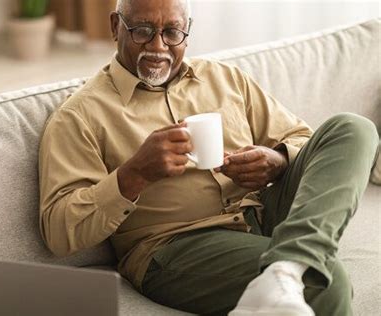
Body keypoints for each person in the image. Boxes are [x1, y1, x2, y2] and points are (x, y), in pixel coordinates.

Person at [38, 0, 379, 315]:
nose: (158, 47)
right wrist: (134, 174)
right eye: (142, 30)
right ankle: (292, 270)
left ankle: (286, 268)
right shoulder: (79, 114)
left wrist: (277, 161)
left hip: (262, 213)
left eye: (172, 32)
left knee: (353, 128)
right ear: (115, 26)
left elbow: (304, 139)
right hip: (175, 246)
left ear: (188, 29)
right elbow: (59, 231)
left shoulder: (223, 78)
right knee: (324, 281)